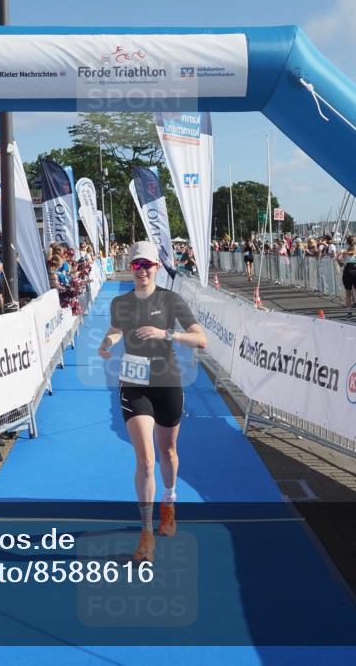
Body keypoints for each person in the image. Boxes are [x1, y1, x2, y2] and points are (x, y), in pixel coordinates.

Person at [97, 241, 207, 563]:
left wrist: (165, 335)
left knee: (168, 451)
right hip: (133, 383)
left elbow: (201, 338)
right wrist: (108, 341)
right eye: (136, 265)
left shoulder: (171, 301)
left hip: (167, 381)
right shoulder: (121, 302)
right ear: (130, 268)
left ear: (157, 267)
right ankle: (146, 534)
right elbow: (117, 329)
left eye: (147, 265)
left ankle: (169, 501)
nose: (142, 270)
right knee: (146, 460)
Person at [336, 235, 356, 321]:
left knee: (348, 293)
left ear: (347, 242)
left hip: (348, 271)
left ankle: (349, 312)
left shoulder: (344, 251)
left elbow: (338, 259)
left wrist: (340, 262)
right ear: (355, 242)